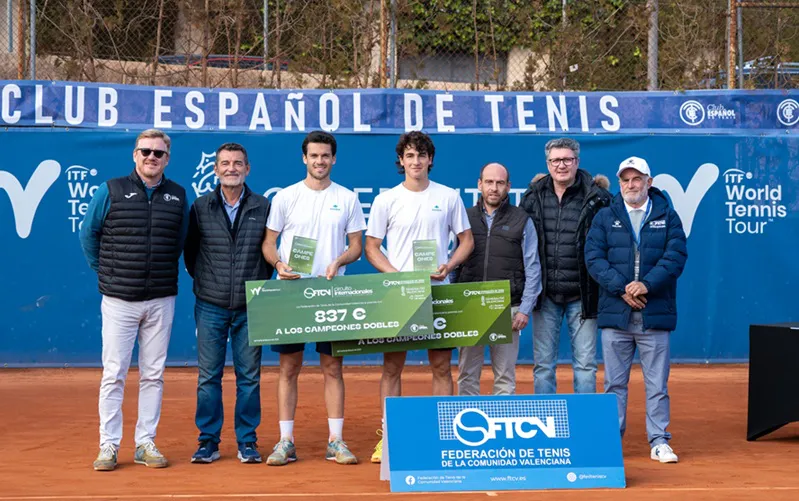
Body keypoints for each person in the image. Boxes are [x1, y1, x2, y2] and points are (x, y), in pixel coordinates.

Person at [80, 129, 189, 471]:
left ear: (167, 159)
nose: (151, 158)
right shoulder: (110, 190)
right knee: (113, 374)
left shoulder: (177, 195)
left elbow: (181, 241)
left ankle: (145, 443)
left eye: (158, 153)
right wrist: (107, 274)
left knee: (153, 374)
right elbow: (88, 234)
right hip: (119, 300)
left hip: (161, 299)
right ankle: (108, 446)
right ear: (134, 155)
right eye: (145, 152)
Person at [365, 131, 474, 463]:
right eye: (409, 156)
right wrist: (396, 276)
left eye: (421, 155)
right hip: (399, 294)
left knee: (441, 366)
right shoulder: (386, 200)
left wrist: (449, 265)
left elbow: (466, 240)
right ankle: (389, 436)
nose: (415, 161)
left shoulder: (448, 196)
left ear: (430, 160)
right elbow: (371, 247)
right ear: (401, 160)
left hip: (438, 292)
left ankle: (445, 433)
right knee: (392, 367)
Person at [261, 131, 366, 466]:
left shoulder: (348, 198)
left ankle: (336, 441)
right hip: (291, 291)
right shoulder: (285, 197)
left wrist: (338, 261)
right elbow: (268, 243)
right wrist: (279, 264)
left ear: (334, 159)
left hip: (331, 293)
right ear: (304, 159)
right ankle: (285, 441)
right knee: (288, 367)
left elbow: (356, 247)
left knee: (332, 367)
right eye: (314, 156)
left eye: (325, 156)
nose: (320, 161)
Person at [585, 156, 687, 464]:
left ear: (649, 182)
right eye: (626, 180)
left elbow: (675, 256)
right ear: (620, 184)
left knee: (657, 383)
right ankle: (611, 442)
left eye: (637, 178)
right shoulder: (605, 217)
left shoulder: (668, 216)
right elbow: (594, 257)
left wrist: (646, 286)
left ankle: (659, 441)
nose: (632, 184)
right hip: (617, 314)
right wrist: (623, 288)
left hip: (654, 312)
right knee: (614, 383)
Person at [183, 143, 272, 464]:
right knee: (209, 376)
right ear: (216, 169)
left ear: (247, 169)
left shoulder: (263, 206)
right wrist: (211, 283)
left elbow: (271, 253)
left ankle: (247, 441)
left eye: (237, 163)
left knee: (249, 377)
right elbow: (191, 254)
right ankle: (208, 441)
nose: (231, 168)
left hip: (252, 305)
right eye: (225, 163)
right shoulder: (200, 206)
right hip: (210, 304)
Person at [520, 138, 611, 395]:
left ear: (577, 162)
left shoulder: (599, 198)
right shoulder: (533, 196)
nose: (562, 165)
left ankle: (584, 426)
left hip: (583, 295)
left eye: (567, 159)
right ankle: (546, 425)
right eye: (556, 160)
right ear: (548, 164)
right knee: (543, 366)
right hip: (545, 294)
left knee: (585, 366)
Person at [456, 163, 542, 396]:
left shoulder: (522, 220)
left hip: (508, 308)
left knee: (505, 376)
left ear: (508, 186)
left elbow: (533, 267)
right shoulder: (464, 217)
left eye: (500, 183)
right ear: (479, 184)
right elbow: (452, 262)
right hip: (469, 308)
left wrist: (524, 309)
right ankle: (467, 425)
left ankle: (500, 428)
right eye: (489, 182)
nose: (494, 188)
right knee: (467, 374)